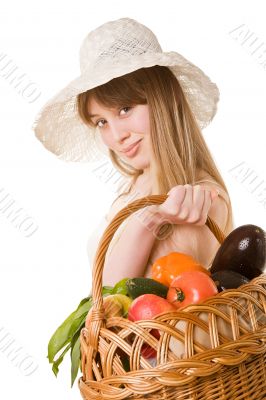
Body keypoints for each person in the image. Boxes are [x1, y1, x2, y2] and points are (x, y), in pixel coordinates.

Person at [32, 17, 235, 287]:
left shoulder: (200, 202)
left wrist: (151, 219)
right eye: (101, 122)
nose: (116, 137)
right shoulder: (133, 184)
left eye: (125, 109)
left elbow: (124, 300)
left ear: (163, 101)